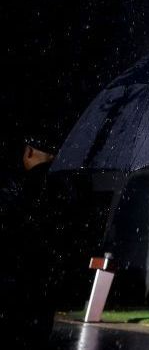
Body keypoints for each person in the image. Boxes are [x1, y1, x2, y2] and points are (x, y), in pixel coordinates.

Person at [0, 129, 83, 350]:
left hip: (18, 290)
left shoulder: (24, 190)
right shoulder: (67, 192)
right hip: (46, 289)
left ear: (28, 153)